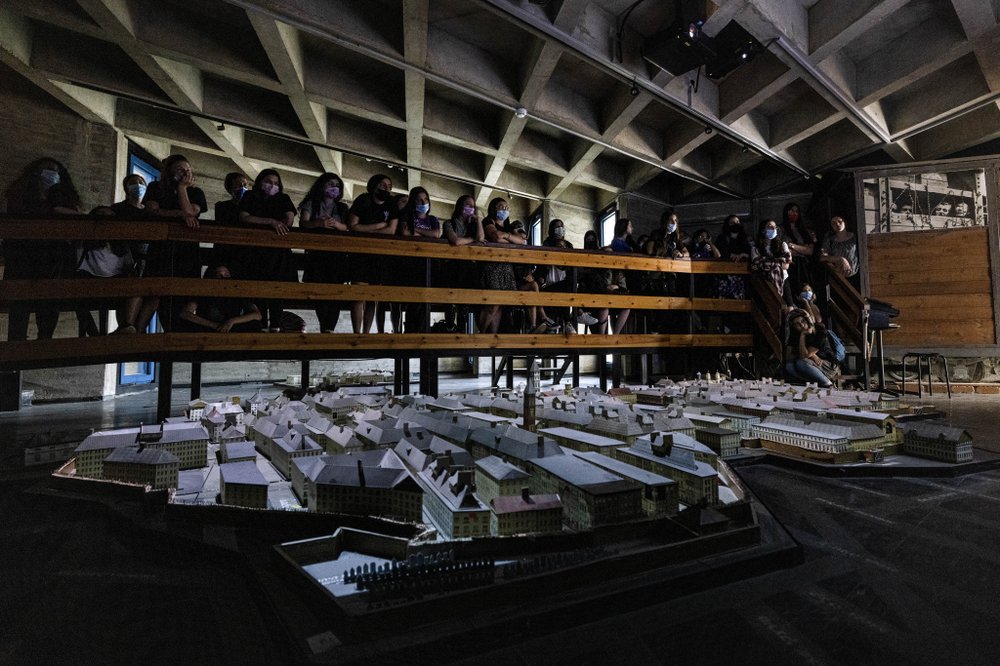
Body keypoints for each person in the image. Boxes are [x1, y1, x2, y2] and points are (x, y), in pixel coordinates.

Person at [3, 157, 82, 340]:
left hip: (52, 261)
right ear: (36, 173)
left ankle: (44, 341)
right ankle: (15, 352)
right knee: (19, 308)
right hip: (23, 259)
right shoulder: (19, 197)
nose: (52, 174)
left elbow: (76, 223)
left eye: (56, 171)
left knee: (48, 306)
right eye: (48, 170)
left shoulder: (65, 200)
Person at [138, 154, 208, 331]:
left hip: (187, 250)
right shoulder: (156, 187)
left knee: (185, 292)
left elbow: (191, 212)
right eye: (180, 170)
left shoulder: (196, 193)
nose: (185, 173)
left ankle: (177, 333)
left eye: (188, 170)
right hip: (161, 247)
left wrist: (182, 188)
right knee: (154, 291)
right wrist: (179, 215)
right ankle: (137, 330)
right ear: (170, 172)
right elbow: (153, 211)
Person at [238, 168, 298, 331]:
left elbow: (290, 218)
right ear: (260, 183)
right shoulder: (250, 197)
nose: (273, 185)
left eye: (276, 183)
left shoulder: (283, 198)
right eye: (269, 182)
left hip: (278, 251)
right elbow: (244, 217)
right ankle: (262, 325)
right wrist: (271, 222)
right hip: (255, 251)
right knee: (258, 288)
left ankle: (276, 326)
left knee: (276, 289)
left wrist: (284, 222)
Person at [347, 174, 398, 333]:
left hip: (380, 255)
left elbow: (391, 230)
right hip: (361, 253)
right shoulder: (363, 200)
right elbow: (353, 225)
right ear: (374, 185)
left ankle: (366, 333)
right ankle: (357, 333)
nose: (386, 188)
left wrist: (368, 228)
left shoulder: (391, 203)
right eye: (383, 185)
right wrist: (378, 226)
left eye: (389, 186)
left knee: (372, 298)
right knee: (358, 295)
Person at [299, 172, 350, 333]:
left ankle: (329, 328)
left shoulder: (342, 208)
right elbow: (304, 223)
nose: (334, 188)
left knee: (335, 291)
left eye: (336, 185)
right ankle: (324, 324)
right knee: (319, 291)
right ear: (322, 186)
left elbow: (348, 227)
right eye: (330, 184)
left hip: (337, 255)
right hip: (316, 254)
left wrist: (336, 225)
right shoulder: (311, 203)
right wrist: (318, 223)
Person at [537, 219, 597, 333]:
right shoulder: (547, 244)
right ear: (552, 230)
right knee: (569, 287)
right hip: (550, 284)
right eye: (556, 226)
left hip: (566, 282)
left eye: (561, 226)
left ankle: (570, 321)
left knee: (570, 287)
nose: (560, 229)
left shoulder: (569, 245)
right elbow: (542, 267)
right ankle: (575, 316)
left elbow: (574, 263)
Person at [437, 195, 483, 332]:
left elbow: (480, 238)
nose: (470, 208)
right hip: (450, 267)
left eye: (473, 206)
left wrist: (479, 221)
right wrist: (471, 239)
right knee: (452, 294)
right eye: (467, 205)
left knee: (468, 278)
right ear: (460, 206)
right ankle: (450, 325)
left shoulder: (472, 226)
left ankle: (462, 327)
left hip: (467, 269)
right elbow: (455, 241)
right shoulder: (449, 223)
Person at [478, 197, 524, 334]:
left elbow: (521, 241)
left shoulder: (509, 227)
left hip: (506, 268)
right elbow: (495, 237)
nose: (505, 209)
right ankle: (481, 333)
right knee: (493, 303)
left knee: (500, 305)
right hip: (492, 267)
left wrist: (506, 234)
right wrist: (510, 238)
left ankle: (493, 336)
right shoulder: (488, 221)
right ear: (493, 208)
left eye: (506, 207)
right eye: (501, 207)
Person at [399, 186, 441, 332]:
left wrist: (416, 231)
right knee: (414, 301)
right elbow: (405, 232)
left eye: (425, 199)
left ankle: (423, 330)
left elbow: (436, 234)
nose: (423, 202)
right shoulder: (407, 216)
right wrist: (425, 234)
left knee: (425, 299)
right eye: (419, 200)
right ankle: (410, 330)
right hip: (411, 264)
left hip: (428, 263)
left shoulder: (433, 219)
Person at [177, 265, 263, 333]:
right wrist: (213, 325)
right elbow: (184, 313)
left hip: (232, 328)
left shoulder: (237, 292)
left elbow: (257, 315)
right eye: (219, 275)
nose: (223, 279)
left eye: (226, 275)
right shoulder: (204, 294)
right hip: (210, 328)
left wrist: (232, 321)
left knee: (255, 325)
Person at [785, 309, 834, 388]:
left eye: (803, 321)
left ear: (807, 321)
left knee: (801, 363)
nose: (801, 324)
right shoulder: (796, 336)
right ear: (794, 327)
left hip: (827, 365)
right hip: (811, 364)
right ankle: (810, 383)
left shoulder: (820, 332)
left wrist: (803, 335)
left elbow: (804, 356)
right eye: (797, 324)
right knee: (788, 365)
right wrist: (813, 355)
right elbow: (788, 355)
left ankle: (828, 383)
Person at [751, 218, 793, 306]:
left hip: (783, 278)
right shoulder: (755, 248)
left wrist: (766, 261)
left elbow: (786, 265)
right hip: (766, 281)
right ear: (763, 230)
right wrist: (778, 262)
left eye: (775, 227)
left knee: (789, 307)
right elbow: (757, 264)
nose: (773, 229)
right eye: (770, 227)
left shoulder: (782, 245)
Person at [780, 202, 816, 294]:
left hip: (805, 265)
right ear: (786, 212)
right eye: (791, 211)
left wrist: (792, 245)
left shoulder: (805, 230)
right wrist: (802, 248)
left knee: (807, 291)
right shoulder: (781, 230)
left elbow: (810, 251)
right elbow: (783, 249)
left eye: (796, 211)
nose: (794, 213)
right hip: (790, 265)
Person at [714, 214, 751, 300]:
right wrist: (730, 255)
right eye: (732, 222)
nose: (735, 224)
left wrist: (743, 255)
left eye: (737, 222)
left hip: (741, 275)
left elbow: (751, 252)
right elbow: (719, 252)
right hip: (725, 274)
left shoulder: (745, 238)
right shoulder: (722, 238)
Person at [818, 215, 859, 279]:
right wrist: (841, 259)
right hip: (838, 278)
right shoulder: (830, 240)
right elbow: (822, 257)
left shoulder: (855, 237)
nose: (837, 224)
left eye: (839, 221)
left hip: (857, 275)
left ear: (845, 222)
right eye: (833, 223)